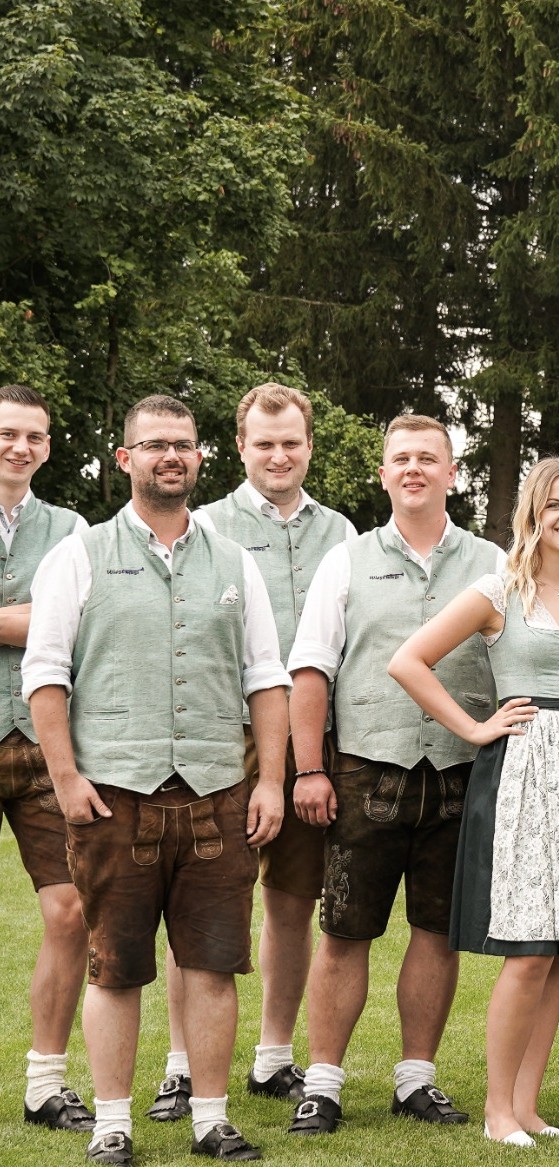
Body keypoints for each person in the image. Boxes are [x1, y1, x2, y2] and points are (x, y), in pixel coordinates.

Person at [23, 394, 290, 1167]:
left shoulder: (234, 561)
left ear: (200, 457)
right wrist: (66, 779)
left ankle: (211, 1117)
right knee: (114, 964)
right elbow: (46, 673)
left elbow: (266, 677)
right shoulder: (79, 554)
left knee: (213, 961)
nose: (170, 456)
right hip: (114, 795)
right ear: (125, 458)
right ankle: (113, 1123)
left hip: (216, 793)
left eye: (182, 444)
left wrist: (270, 781)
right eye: (154, 445)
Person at [390, 458, 559, 1146]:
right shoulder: (498, 589)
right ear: (532, 514)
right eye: (554, 504)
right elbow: (408, 660)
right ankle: (497, 1110)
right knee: (528, 948)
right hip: (524, 773)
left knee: (557, 949)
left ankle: (527, 1107)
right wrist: (476, 728)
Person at [285, 413, 503, 1135]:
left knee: (437, 930)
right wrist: (309, 768)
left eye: (428, 458)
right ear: (383, 474)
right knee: (345, 930)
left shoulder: (494, 562)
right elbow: (311, 669)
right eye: (401, 458)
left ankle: (416, 1078)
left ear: (452, 474)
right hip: (365, 771)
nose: (414, 469)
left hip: (461, 774)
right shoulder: (346, 560)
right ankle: (323, 1082)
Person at [149, 383, 356, 1123]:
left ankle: (273, 1056)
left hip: (310, 741)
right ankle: (181, 1067)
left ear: (309, 446)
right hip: (220, 737)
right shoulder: (203, 526)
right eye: (264, 443)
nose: (279, 455)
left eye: (291, 442)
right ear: (240, 448)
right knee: (198, 903)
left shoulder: (342, 533)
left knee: (292, 901)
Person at [0, 387, 92, 1132]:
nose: (19, 446)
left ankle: (45, 1084)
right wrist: (30, 617)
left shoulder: (70, 530)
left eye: (33, 436)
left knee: (71, 908)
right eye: (7, 433)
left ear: (49, 447)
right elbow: (43, 621)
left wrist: (45, 620)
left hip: (42, 739)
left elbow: (75, 621)